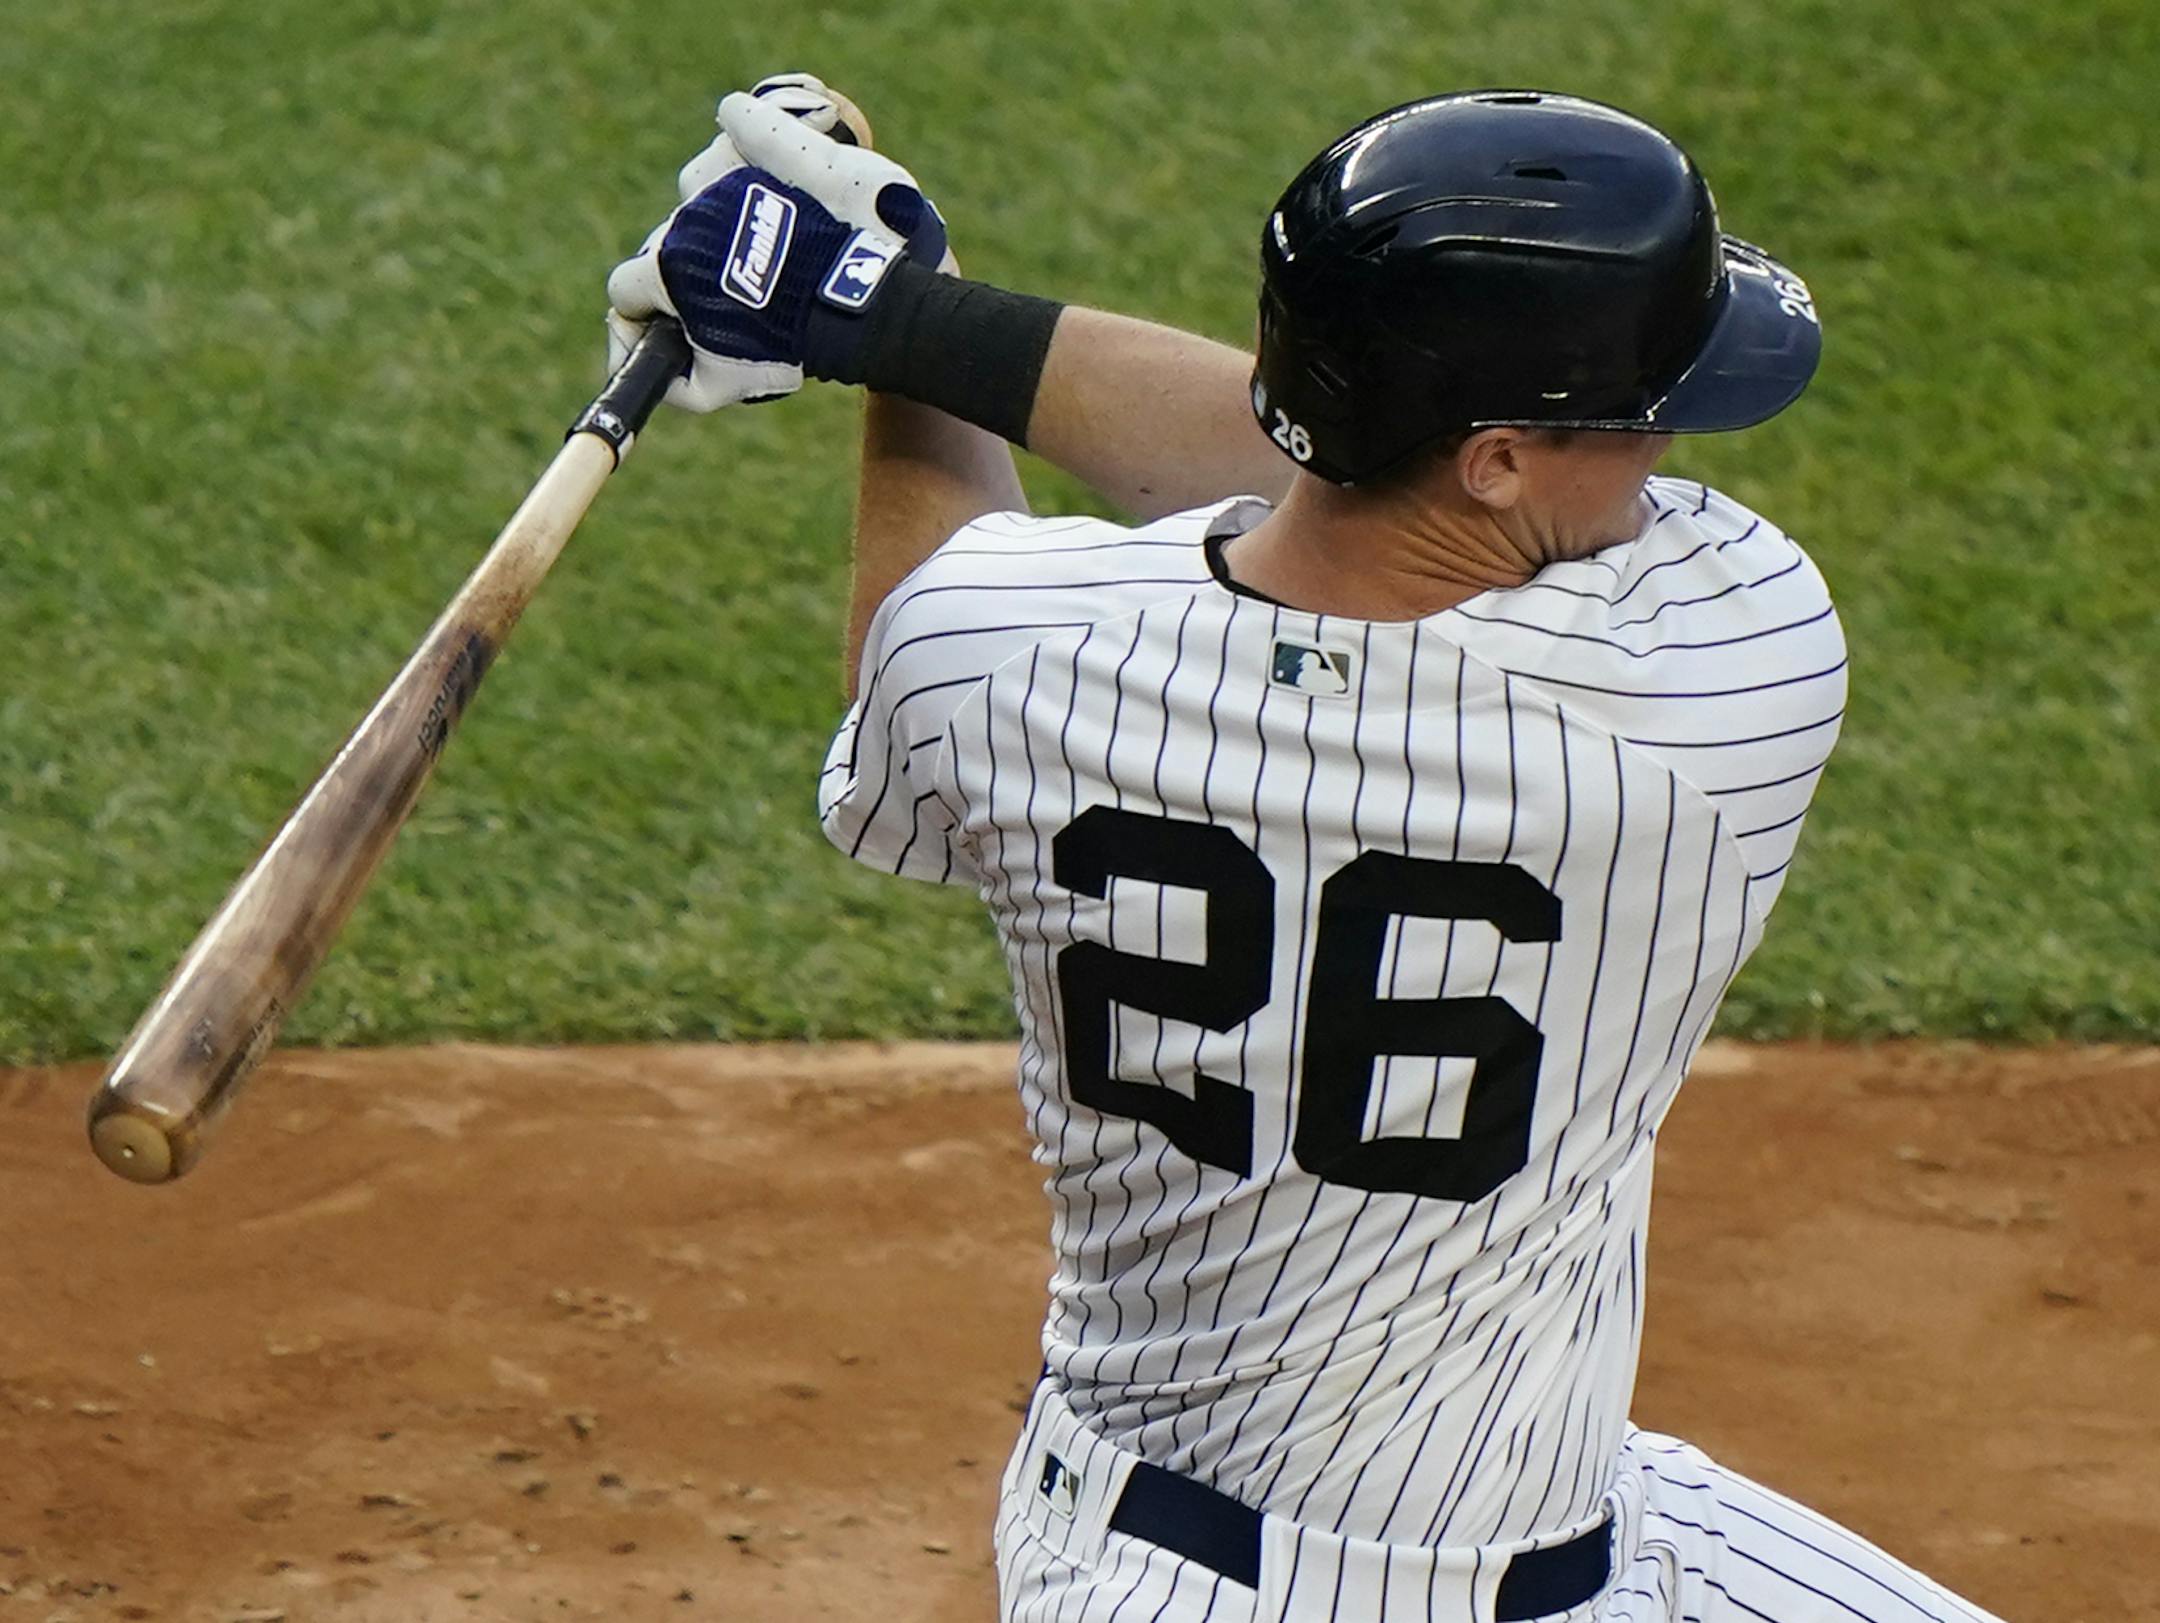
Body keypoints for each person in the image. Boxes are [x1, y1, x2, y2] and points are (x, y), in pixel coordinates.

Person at [609, 79, 2004, 1623]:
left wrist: (872, 329)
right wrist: (906, 314)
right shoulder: (1717, 678)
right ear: (1495, 464)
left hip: (1140, 1548)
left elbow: (940, 609)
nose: (1667, 444)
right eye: (1638, 412)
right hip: (1431, 1566)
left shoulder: (1000, 657)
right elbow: (1250, 451)